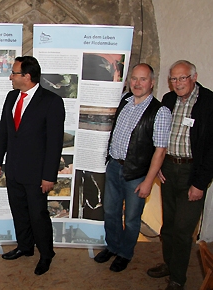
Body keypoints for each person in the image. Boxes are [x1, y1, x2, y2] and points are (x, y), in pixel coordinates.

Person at [93, 63, 172, 272]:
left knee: (131, 218)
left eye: (143, 79)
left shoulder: (160, 111)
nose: (137, 83)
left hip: (137, 175)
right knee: (110, 211)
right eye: (134, 78)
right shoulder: (124, 101)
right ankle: (113, 246)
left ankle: (125, 253)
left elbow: (160, 150)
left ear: (152, 82)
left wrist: (148, 181)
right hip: (113, 167)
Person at [0, 56, 65, 275]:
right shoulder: (11, 96)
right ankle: (25, 247)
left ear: (27, 76)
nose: (10, 77)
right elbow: (4, 131)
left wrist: (49, 176)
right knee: (19, 212)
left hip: (37, 173)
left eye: (14, 73)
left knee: (38, 215)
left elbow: (55, 143)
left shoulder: (51, 101)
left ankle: (46, 254)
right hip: (13, 169)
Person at [147, 60, 213, 290]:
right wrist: (159, 166)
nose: (177, 83)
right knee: (168, 226)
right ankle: (170, 264)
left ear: (194, 77)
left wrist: (200, 183)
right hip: (169, 169)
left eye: (182, 78)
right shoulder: (168, 100)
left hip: (192, 172)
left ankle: (178, 279)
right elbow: (160, 135)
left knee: (183, 230)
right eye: (173, 78)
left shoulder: (209, 102)